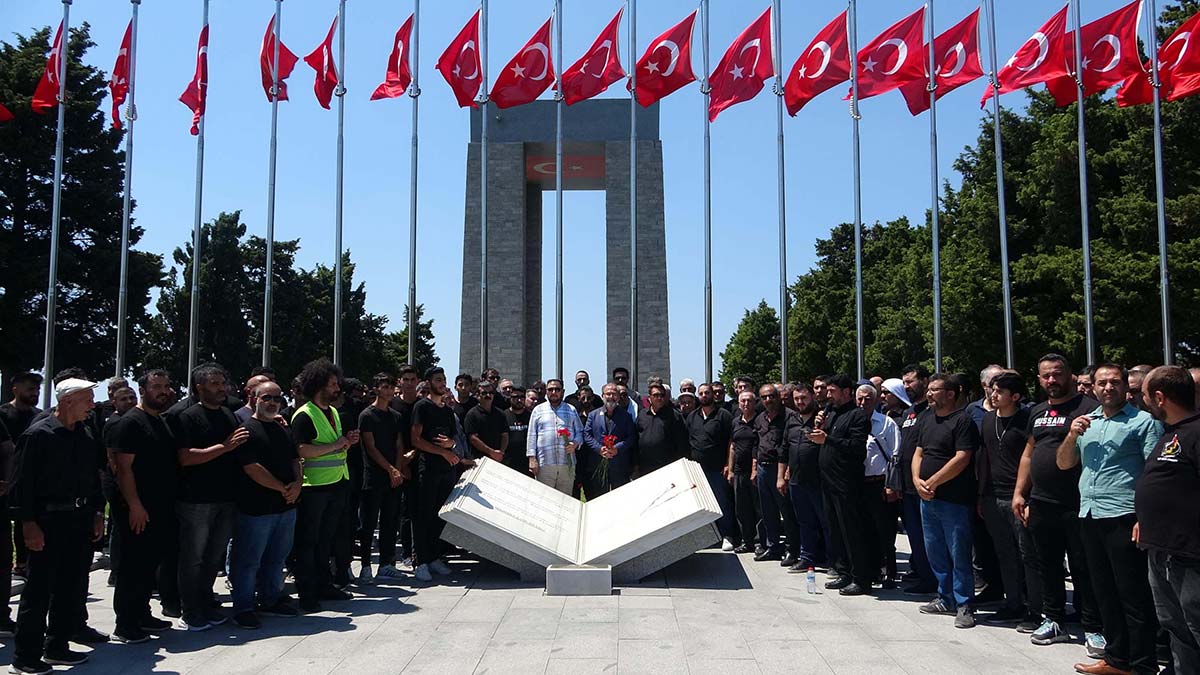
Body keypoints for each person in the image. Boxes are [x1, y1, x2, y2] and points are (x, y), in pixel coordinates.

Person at [1057, 364, 1162, 675]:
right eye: (1101, 383)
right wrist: (1071, 434)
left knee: (1133, 595)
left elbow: (1152, 474)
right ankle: (1117, 659)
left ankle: (1143, 665)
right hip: (1089, 514)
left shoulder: (1143, 422)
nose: (1107, 388)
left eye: (1114, 382)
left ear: (1126, 386)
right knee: (1104, 591)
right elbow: (1064, 463)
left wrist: (1145, 517)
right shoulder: (1089, 422)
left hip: (1124, 515)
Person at [8, 378, 104, 673]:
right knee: (38, 590)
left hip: (78, 519)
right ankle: (26, 656)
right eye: (87, 398)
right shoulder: (39, 435)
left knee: (70, 586)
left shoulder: (84, 433)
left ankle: (57, 647)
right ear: (66, 401)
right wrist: (28, 525)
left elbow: (92, 477)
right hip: (47, 521)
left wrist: (97, 512)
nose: (92, 404)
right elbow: (21, 486)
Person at [1013, 354, 1103, 651]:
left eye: (1058, 374)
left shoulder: (1091, 409)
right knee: (1047, 564)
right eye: (1046, 376)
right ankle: (1053, 619)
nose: (1052, 380)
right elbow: (1028, 453)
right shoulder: (1036, 412)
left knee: (1084, 566)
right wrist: (1019, 493)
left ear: (1071, 376)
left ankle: (1093, 627)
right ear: (1039, 380)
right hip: (1041, 501)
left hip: (1079, 503)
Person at [1136, 366, 1200, 674]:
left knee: (1196, 625)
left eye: (1145, 395)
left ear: (1159, 397)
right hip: (1160, 549)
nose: (1143, 401)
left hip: (1190, 555)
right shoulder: (1169, 434)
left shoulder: (1196, 433)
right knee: (1177, 629)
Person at [174, 363, 246, 631]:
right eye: (214, 383)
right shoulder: (187, 417)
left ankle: (206, 602)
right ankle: (190, 610)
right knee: (193, 558)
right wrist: (224, 447)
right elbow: (185, 457)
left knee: (214, 557)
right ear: (199, 388)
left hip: (226, 498)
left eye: (222, 382)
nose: (221, 388)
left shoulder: (229, 414)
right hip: (196, 501)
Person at [107, 370, 178, 643]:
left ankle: (142, 613)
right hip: (138, 508)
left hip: (160, 506)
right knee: (132, 565)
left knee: (148, 565)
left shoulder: (159, 420)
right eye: (156, 386)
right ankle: (125, 623)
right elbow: (123, 470)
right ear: (143, 390)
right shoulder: (130, 423)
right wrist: (135, 505)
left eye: (166, 386)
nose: (163, 391)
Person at [229, 380, 302, 629]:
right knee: (248, 562)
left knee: (276, 559)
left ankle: (271, 600)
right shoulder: (246, 430)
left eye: (277, 398)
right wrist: (283, 488)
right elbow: (251, 468)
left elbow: (296, 459)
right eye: (266, 398)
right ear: (254, 399)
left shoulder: (284, 429)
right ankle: (243, 608)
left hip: (286, 507)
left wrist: (298, 484)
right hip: (256, 510)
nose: (272, 403)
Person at [912, 373, 980, 629]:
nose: (929, 394)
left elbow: (963, 456)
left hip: (954, 499)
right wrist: (918, 480)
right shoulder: (926, 418)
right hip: (927, 498)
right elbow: (918, 452)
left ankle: (965, 603)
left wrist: (935, 481)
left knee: (958, 552)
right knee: (935, 550)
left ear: (950, 394)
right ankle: (945, 597)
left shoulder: (962, 420)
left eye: (934, 390)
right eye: (928, 389)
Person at [290, 359, 356, 613]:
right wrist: (337, 445)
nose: (337, 388)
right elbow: (301, 449)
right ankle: (307, 592)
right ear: (319, 385)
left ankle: (324, 584)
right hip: (313, 487)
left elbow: (334, 443)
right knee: (308, 542)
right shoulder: (304, 415)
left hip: (337, 482)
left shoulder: (334, 412)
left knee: (325, 540)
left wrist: (346, 442)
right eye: (332, 384)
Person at [977, 372, 1041, 630]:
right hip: (993, 497)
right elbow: (983, 459)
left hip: (1020, 498)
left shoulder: (1027, 420)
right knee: (1004, 554)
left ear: (1015, 396)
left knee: (1029, 555)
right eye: (992, 390)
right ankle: (1012, 602)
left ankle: (1036, 609)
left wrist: (1026, 495)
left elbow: (1032, 459)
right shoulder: (988, 420)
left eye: (999, 391)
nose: (993, 395)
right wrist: (980, 495)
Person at [817, 374, 873, 596]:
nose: (828, 395)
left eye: (832, 391)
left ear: (847, 392)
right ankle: (843, 571)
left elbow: (857, 448)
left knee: (852, 531)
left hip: (846, 483)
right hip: (828, 482)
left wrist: (828, 439)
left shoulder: (857, 416)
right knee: (835, 529)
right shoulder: (831, 413)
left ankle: (861, 578)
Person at [411, 367, 465, 582]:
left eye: (444, 379)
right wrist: (443, 451)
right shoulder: (421, 407)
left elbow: (453, 438)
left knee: (439, 516)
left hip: (447, 470)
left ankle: (434, 557)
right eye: (437, 380)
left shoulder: (446, 409)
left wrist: (450, 446)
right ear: (429, 382)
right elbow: (416, 440)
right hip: (428, 468)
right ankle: (420, 561)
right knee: (423, 515)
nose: (442, 383)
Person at [358, 374, 409, 585]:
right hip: (373, 476)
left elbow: (399, 445)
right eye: (384, 387)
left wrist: (397, 469)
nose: (389, 391)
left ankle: (387, 564)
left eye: (391, 387)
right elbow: (370, 447)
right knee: (368, 523)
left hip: (393, 477)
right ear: (376, 389)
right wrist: (389, 469)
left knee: (390, 521)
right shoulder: (367, 415)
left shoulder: (395, 416)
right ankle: (365, 565)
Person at [897, 364, 936, 594]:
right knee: (915, 537)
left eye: (910, 381)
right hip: (907, 486)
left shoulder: (931, 413)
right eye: (904, 382)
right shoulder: (909, 412)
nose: (907, 386)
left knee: (930, 538)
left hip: (926, 485)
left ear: (924, 381)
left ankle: (935, 579)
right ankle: (923, 575)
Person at [753, 384, 801, 566]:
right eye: (764, 397)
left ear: (778, 397)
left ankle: (792, 549)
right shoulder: (760, 419)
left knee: (787, 512)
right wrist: (754, 469)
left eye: (771, 396)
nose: (768, 400)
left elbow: (790, 445)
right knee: (767, 512)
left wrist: (785, 472)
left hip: (780, 469)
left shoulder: (790, 416)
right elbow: (756, 444)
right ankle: (772, 547)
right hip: (763, 469)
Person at [858, 384, 900, 588]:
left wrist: (892, 486)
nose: (863, 402)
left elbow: (895, 455)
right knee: (865, 530)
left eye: (867, 399)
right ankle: (872, 569)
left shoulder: (886, 423)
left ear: (875, 401)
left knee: (885, 530)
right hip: (859, 484)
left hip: (881, 484)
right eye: (860, 398)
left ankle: (889, 572)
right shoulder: (852, 422)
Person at [685, 383, 736, 548]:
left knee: (722, 503)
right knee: (702, 505)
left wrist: (729, 465)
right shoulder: (692, 416)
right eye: (701, 393)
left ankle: (727, 536)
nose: (704, 395)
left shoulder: (724, 415)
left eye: (707, 392)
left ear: (713, 395)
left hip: (717, 469)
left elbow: (731, 442)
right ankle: (708, 538)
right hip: (697, 470)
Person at [785, 384, 828, 571]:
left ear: (812, 397)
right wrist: (783, 473)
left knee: (826, 522)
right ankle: (807, 557)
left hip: (818, 480)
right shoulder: (792, 420)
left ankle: (833, 559)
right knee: (804, 522)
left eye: (803, 398)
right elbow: (784, 448)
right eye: (796, 399)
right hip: (796, 480)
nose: (800, 402)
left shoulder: (822, 418)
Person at [333, 377, 368, 589]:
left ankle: (343, 566)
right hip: (328, 477)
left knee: (347, 523)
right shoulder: (324, 412)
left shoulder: (354, 410)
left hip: (351, 471)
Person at [389, 365, 421, 567]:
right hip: (395, 465)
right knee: (399, 512)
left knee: (417, 511)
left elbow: (425, 436)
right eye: (405, 379)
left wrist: (414, 454)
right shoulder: (392, 405)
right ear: (399, 382)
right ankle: (405, 552)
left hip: (420, 463)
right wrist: (401, 462)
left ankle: (420, 552)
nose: (409, 383)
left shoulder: (422, 405)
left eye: (412, 379)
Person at [527, 379, 583, 495]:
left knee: (565, 500)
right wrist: (532, 459)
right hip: (545, 464)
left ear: (562, 392)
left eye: (557, 389)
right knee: (545, 501)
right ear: (546, 392)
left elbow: (580, 432)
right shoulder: (538, 410)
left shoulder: (571, 409)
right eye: (550, 389)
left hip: (566, 464)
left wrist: (575, 444)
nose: (554, 392)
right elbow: (532, 435)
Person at [583, 384, 637, 496]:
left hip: (619, 465)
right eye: (608, 393)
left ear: (618, 397)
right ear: (602, 396)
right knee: (599, 498)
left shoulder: (626, 416)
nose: (611, 396)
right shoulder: (593, 415)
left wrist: (617, 449)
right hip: (598, 463)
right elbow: (587, 435)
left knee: (620, 498)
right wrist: (599, 449)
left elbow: (631, 437)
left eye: (614, 394)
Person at [727, 391, 760, 555]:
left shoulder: (760, 420)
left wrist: (755, 469)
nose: (746, 404)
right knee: (742, 509)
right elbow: (732, 446)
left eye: (749, 401)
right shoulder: (735, 422)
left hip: (756, 472)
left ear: (754, 402)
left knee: (759, 508)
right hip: (739, 472)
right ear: (738, 403)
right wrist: (730, 470)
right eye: (743, 401)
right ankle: (747, 542)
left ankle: (761, 542)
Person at [635, 382, 688, 475]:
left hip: (668, 467)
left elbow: (682, 442)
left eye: (662, 395)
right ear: (649, 398)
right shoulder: (642, 415)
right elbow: (636, 439)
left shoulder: (674, 415)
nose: (659, 398)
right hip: (645, 467)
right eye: (656, 395)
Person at [464, 380, 508, 465]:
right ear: (477, 395)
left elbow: (505, 435)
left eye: (491, 392)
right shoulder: (472, 415)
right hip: (479, 461)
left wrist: (501, 453)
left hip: (499, 460)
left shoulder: (500, 414)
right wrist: (492, 452)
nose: (488, 395)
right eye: (484, 393)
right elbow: (473, 439)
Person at [502, 386, 532, 475]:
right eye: (515, 397)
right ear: (510, 398)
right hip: (508, 463)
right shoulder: (503, 416)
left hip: (526, 462)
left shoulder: (531, 416)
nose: (519, 400)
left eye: (521, 397)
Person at [967, 365, 1005, 430]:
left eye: (1002, 385)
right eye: (992, 385)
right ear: (984, 385)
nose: (997, 389)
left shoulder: (1017, 410)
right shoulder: (973, 409)